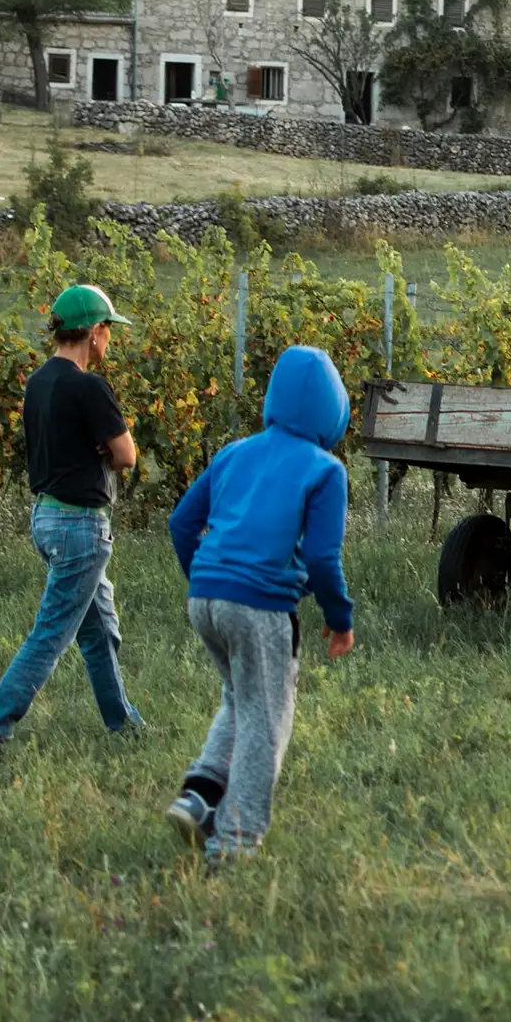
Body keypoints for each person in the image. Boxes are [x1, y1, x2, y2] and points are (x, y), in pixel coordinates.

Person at [162, 345, 356, 864]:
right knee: (267, 721)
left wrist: (208, 578)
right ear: (332, 410)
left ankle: (199, 796)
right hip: (261, 608)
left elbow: (181, 524)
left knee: (240, 695)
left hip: (204, 598)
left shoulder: (234, 452)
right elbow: (320, 555)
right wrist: (341, 620)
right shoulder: (326, 470)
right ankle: (235, 844)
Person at [0, 284, 145, 745]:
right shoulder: (89, 385)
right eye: (108, 330)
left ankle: (123, 724)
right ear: (92, 332)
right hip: (80, 527)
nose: (109, 340)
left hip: (46, 516)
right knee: (51, 634)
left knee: (100, 630)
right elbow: (127, 455)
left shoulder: (39, 382)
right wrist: (105, 452)